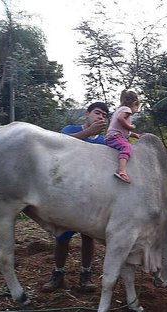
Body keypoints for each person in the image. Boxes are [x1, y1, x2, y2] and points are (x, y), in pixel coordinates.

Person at [41, 101, 109, 293]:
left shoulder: (103, 142)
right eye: (97, 113)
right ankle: (58, 274)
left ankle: (85, 276)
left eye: (104, 115)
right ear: (87, 114)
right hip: (67, 195)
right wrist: (87, 134)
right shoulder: (70, 130)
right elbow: (59, 146)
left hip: (91, 197)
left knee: (88, 237)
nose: (101, 117)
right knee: (63, 236)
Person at [105, 90, 141, 183]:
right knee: (127, 147)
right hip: (115, 136)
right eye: (137, 107)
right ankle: (121, 170)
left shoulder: (120, 110)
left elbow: (122, 129)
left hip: (113, 135)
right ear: (134, 103)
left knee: (126, 144)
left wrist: (134, 135)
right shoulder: (126, 110)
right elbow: (120, 119)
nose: (137, 110)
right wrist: (130, 126)